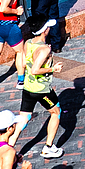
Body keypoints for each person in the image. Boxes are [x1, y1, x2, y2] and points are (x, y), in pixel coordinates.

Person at [16, 18, 66, 158]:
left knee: (24, 118)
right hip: (41, 90)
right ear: (44, 31)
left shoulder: (28, 43)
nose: (49, 29)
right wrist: (52, 69)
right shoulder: (44, 49)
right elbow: (35, 70)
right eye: (48, 27)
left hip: (28, 87)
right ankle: (48, 147)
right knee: (56, 112)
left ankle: (9, 146)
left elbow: (26, 63)